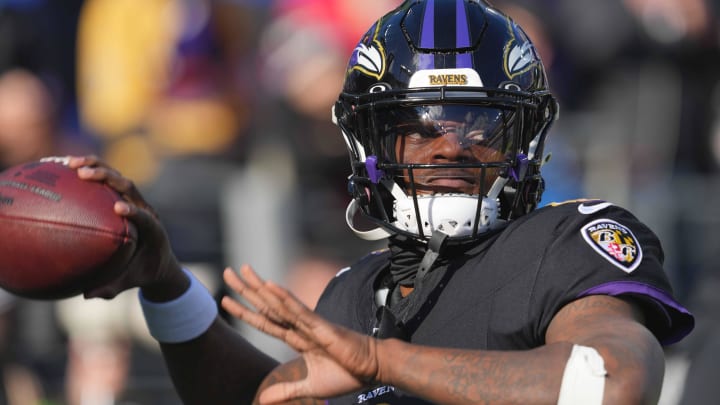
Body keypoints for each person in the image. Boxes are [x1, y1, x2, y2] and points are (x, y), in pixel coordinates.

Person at [69, 0, 694, 404]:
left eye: (479, 126)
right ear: (369, 141)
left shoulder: (569, 243)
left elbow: (611, 383)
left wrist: (381, 360)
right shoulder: (354, 292)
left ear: (523, 141)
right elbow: (267, 396)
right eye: (419, 127)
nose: (449, 148)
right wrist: (166, 283)